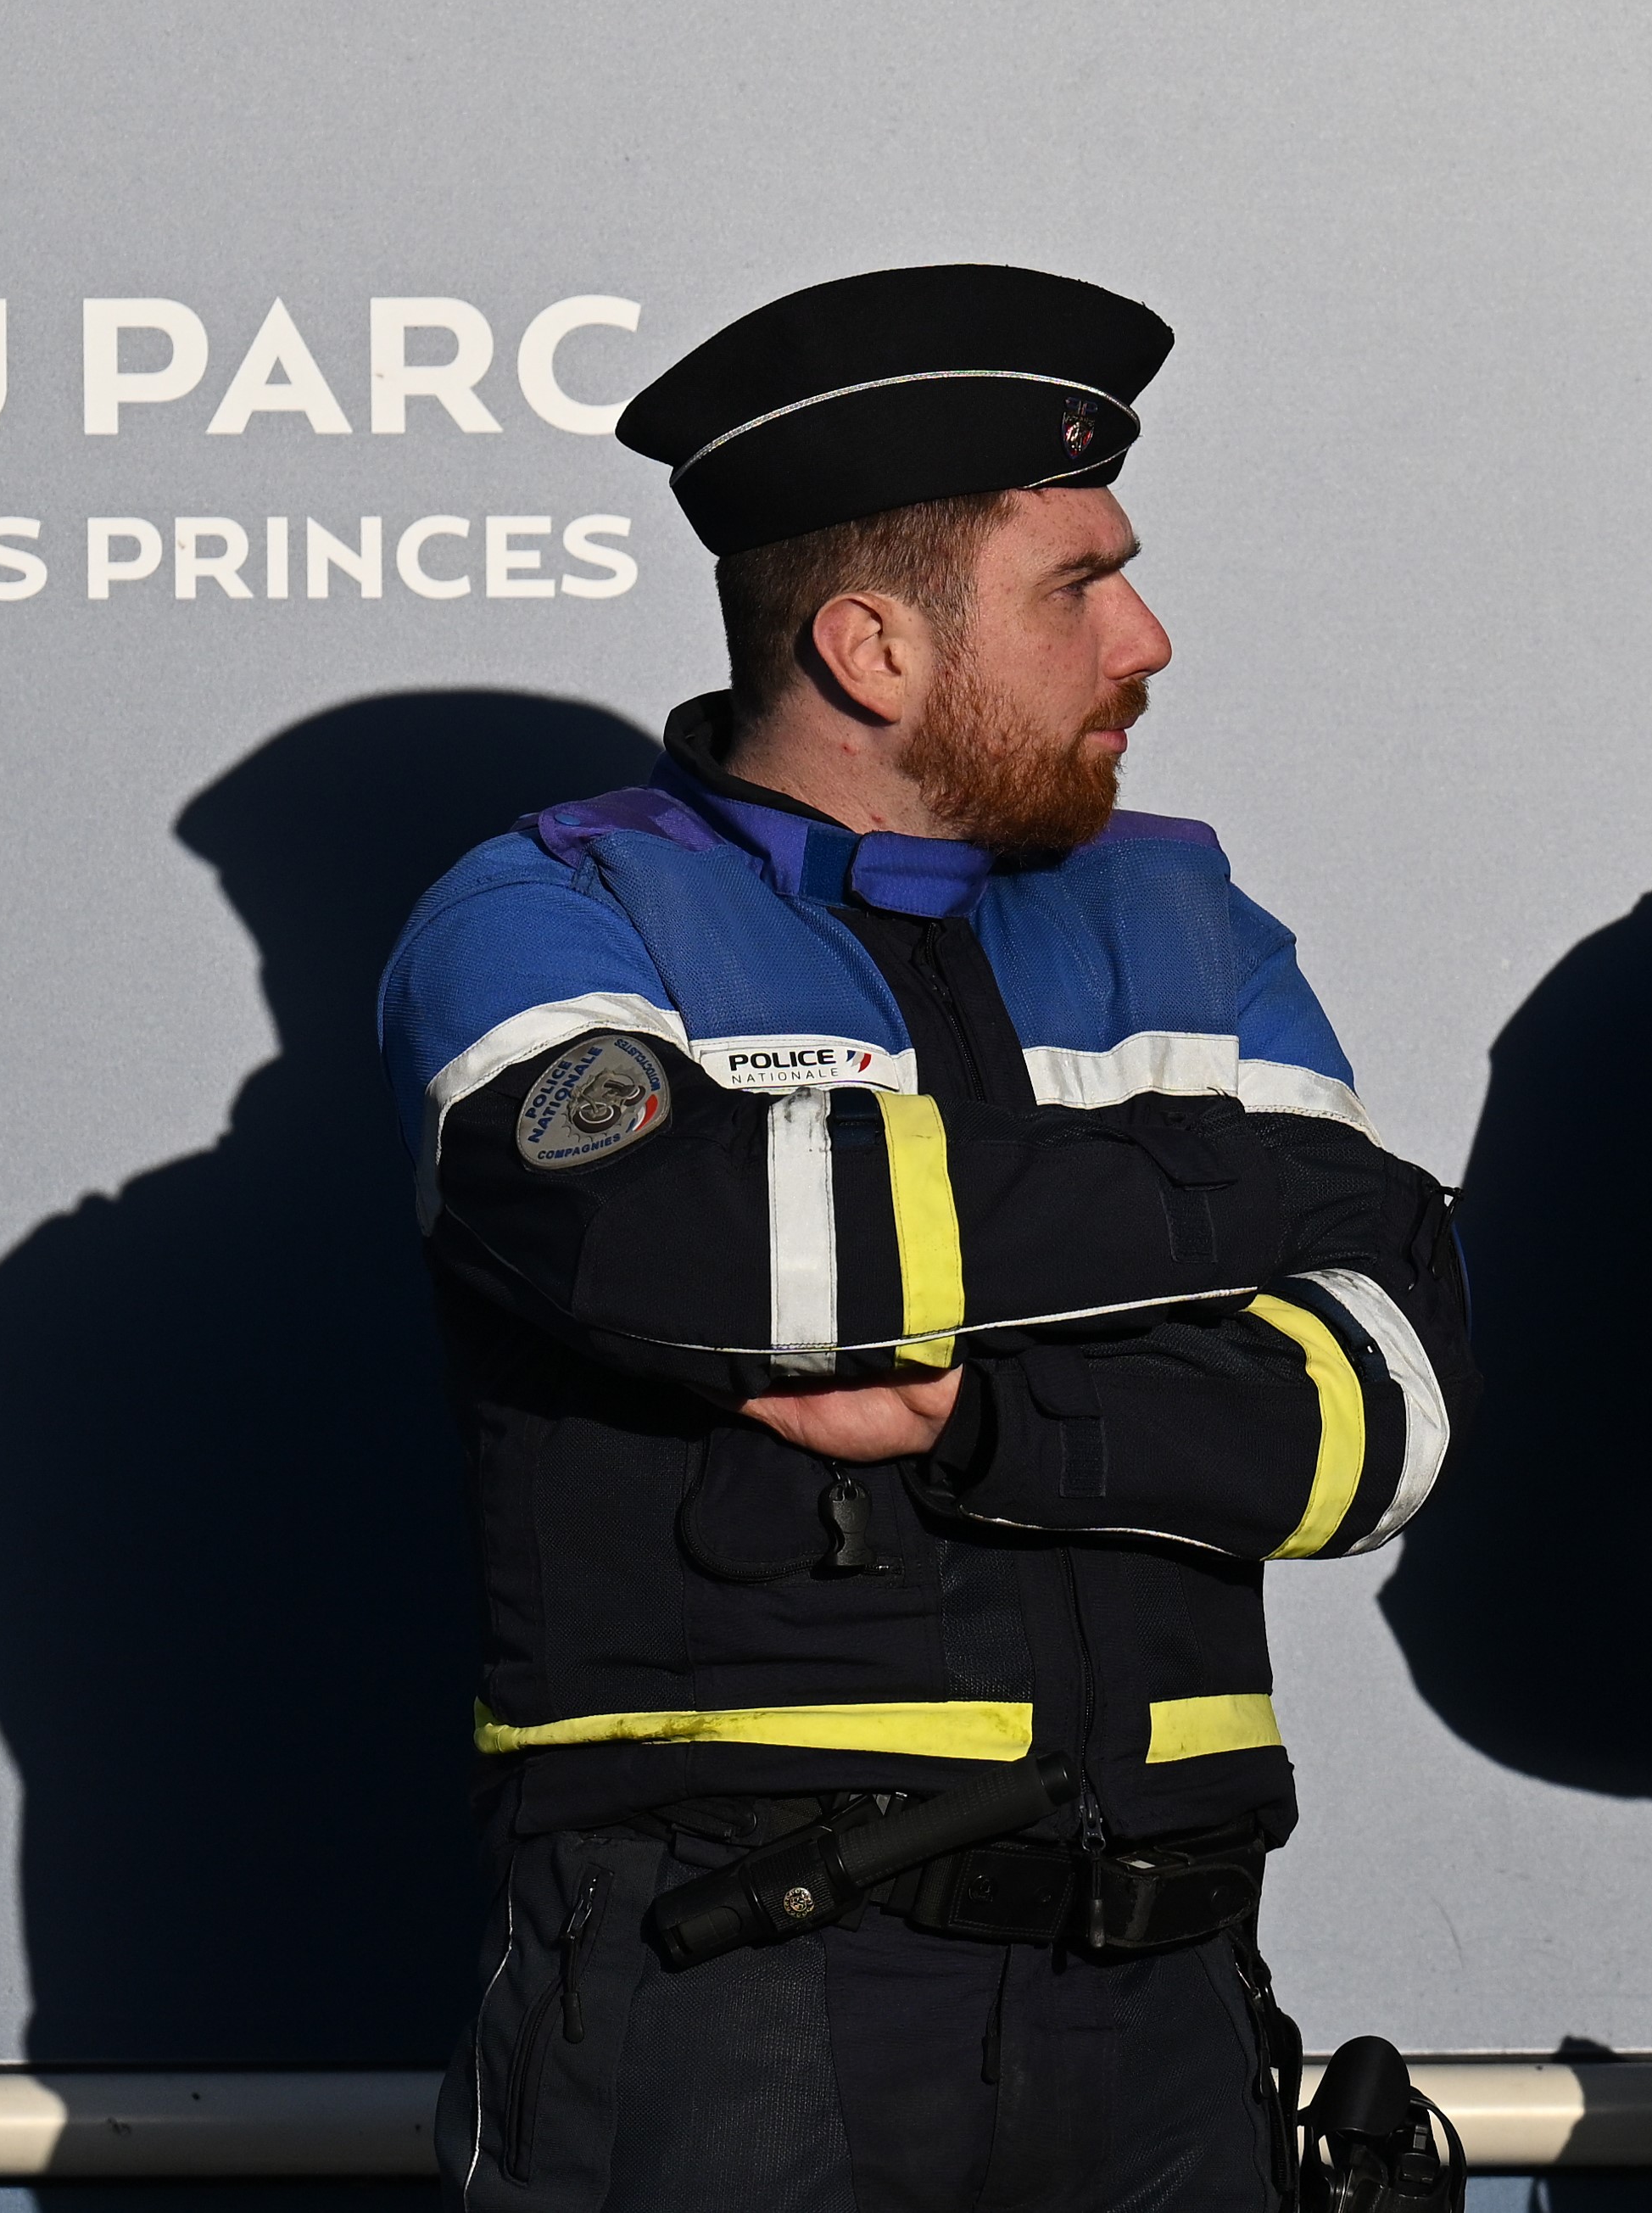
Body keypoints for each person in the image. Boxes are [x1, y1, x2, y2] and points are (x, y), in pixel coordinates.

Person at [381, 264, 1472, 2213]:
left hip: (1165, 2009)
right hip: (734, 2010)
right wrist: (1227, 1198)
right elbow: (667, 1244)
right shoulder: (551, 912)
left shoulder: (1185, 918)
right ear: (872, 647)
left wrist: (984, 1424)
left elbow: (1388, 1404)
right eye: (1076, 587)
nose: (1147, 637)